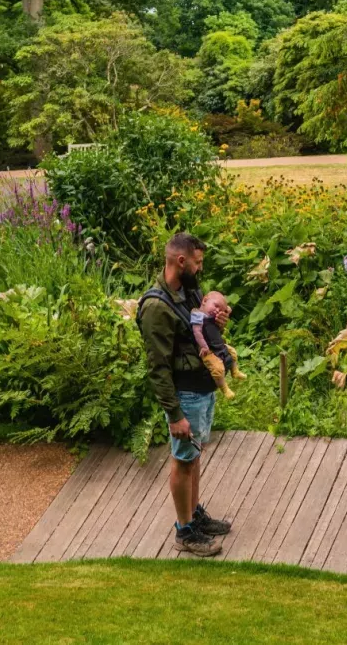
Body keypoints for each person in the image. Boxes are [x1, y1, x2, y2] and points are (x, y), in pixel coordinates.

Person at [136, 232, 233, 556]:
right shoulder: (156, 307)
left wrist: (217, 323)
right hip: (185, 395)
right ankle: (184, 531)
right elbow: (158, 367)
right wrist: (175, 415)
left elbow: (201, 337)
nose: (200, 268)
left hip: (202, 389)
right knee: (183, 460)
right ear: (181, 261)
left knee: (193, 457)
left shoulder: (190, 292)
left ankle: (194, 515)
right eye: (198, 262)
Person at [190, 291, 243, 399]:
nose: (217, 310)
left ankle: (235, 371)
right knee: (217, 368)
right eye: (216, 306)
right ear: (204, 301)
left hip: (218, 345)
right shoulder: (197, 315)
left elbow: (227, 308)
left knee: (232, 352)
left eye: (220, 308)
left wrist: (225, 310)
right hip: (206, 350)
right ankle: (225, 389)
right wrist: (204, 346)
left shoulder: (211, 314)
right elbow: (197, 332)